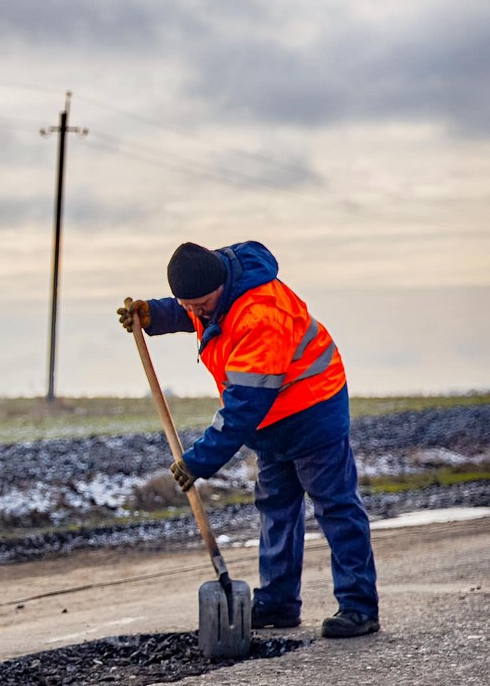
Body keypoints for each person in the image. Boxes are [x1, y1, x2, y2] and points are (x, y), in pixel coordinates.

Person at [117, 241, 380, 639]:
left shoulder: (260, 315)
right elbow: (199, 313)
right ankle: (278, 602)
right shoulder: (219, 292)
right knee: (275, 508)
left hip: (314, 411)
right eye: (185, 304)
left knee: (336, 508)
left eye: (199, 304)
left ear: (220, 288)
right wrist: (154, 315)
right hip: (272, 423)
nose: (195, 313)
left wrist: (198, 461)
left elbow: (242, 410)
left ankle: (359, 607)